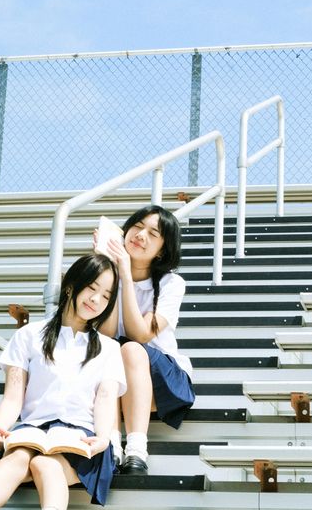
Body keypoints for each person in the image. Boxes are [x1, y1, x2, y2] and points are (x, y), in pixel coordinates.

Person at [0, 253, 126, 510]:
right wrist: (0, 426)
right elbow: (13, 395)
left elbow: (106, 399)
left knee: (45, 463)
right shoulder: (28, 336)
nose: (96, 300)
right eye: (91, 288)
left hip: (82, 439)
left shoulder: (108, 348)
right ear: (71, 286)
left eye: (106, 295)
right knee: (19, 456)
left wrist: (104, 438)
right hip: (33, 431)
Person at [97, 204, 195, 476]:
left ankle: (137, 449)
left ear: (163, 249)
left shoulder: (171, 284)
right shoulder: (107, 276)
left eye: (153, 233)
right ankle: (112, 445)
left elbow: (141, 334)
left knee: (129, 348)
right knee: (107, 350)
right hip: (117, 375)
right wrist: (112, 274)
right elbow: (105, 333)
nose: (141, 235)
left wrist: (126, 276)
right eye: (137, 227)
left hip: (163, 380)